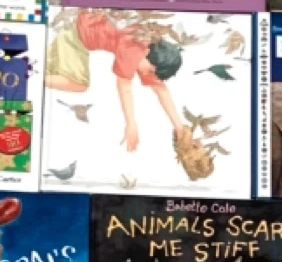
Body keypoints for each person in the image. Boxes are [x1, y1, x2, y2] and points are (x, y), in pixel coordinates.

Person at [44, 9, 213, 180]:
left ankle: (34, 76)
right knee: (79, 84)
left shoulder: (149, 49)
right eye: (150, 71)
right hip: (74, 33)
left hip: (75, 27)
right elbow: (124, 86)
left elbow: (161, 90)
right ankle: (36, 80)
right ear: (149, 58)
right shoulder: (132, 50)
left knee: (48, 68)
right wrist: (131, 124)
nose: (146, 74)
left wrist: (179, 128)